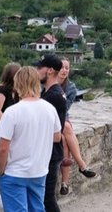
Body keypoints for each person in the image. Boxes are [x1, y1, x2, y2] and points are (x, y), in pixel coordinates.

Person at [0, 66, 61, 212]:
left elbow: (3, 148)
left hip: (15, 172)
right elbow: (57, 136)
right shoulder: (49, 108)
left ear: (18, 84)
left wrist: (1, 171)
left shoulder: (12, 112)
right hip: (39, 171)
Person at [57, 59, 96, 197]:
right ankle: (81, 165)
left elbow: (64, 108)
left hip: (61, 118)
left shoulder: (71, 87)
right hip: (51, 120)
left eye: (67, 68)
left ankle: (65, 184)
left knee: (64, 139)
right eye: (62, 67)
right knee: (66, 129)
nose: (64, 70)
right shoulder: (46, 84)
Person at [36, 54, 68, 212]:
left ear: (49, 71)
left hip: (49, 153)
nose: (37, 71)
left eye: (39, 68)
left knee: (47, 199)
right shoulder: (53, 93)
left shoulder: (53, 96)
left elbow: (53, 131)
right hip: (50, 153)